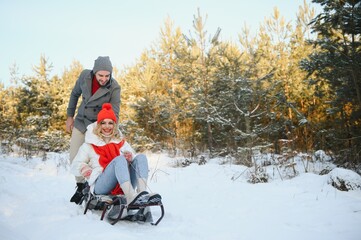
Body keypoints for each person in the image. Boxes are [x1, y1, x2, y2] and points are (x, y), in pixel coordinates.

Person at [70, 103, 153, 219]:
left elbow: (135, 160)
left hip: (123, 183)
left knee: (141, 157)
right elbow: (75, 165)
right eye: (103, 123)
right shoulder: (89, 144)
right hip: (102, 184)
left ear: (114, 125)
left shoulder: (121, 142)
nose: (107, 127)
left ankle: (142, 198)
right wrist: (85, 169)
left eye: (110, 123)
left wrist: (130, 158)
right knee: (119, 159)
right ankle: (130, 198)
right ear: (98, 125)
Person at [66, 56, 121, 204]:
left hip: (98, 127)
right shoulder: (85, 76)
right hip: (81, 121)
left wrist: (111, 131)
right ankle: (80, 186)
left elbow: (115, 113)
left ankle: (92, 187)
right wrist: (70, 116)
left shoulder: (114, 87)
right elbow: (74, 94)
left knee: (95, 159)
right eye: (100, 75)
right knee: (74, 156)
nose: (104, 79)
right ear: (94, 72)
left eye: (107, 75)